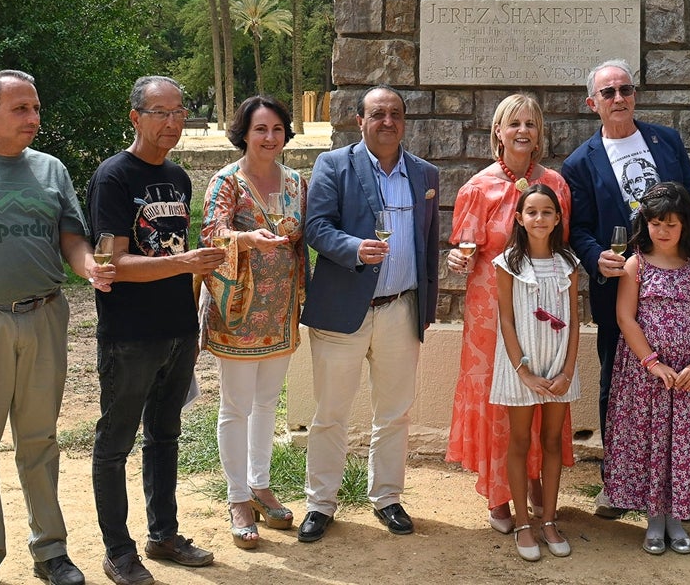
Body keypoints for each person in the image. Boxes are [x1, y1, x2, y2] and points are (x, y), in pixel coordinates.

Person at [0, 70, 113, 585]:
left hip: (43, 316)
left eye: (36, 108)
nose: (34, 119)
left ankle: (50, 551)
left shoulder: (51, 169)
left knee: (40, 440)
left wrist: (88, 265)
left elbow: (70, 237)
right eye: (21, 109)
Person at [87, 75, 225, 585]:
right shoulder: (113, 177)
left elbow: (171, 254)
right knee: (115, 441)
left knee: (165, 436)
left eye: (179, 111)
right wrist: (186, 262)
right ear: (136, 118)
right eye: (160, 112)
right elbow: (114, 262)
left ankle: (162, 535)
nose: (173, 122)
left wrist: (196, 267)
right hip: (129, 333)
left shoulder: (179, 177)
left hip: (176, 328)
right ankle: (118, 551)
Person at [562, 58, 690, 517]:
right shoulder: (579, 163)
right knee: (617, 384)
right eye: (608, 93)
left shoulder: (667, 141)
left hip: (677, 289)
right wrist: (594, 257)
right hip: (619, 291)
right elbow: (578, 228)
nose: (619, 98)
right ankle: (617, 484)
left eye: (625, 89)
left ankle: (674, 484)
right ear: (593, 104)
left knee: (680, 384)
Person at [298, 86, 440, 543]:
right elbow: (316, 227)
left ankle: (387, 497)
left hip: (401, 307)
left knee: (394, 413)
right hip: (342, 312)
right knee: (330, 413)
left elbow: (428, 243)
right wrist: (355, 248)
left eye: (395, 114)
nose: (387, 122)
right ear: (359, 120)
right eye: (377, 114)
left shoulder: (424, 174)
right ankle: (320, 503)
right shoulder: (334, 165)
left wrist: (426, 309)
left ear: (404, 121)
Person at [444, 94, 574, 534]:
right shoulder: (477, 188)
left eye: (531, 124)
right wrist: (457, 261)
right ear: (498, 132)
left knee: (540, 389)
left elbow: (562, 247)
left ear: (539, 134)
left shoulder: (555, 184)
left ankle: (535, 478)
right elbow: (462, 249)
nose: (522, 131)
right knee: (500, 399)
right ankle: (499, 491)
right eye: (513, 123)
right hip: (491, 308)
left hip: (543, 304)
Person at [199, 96, 307, 550]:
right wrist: (245, 237)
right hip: (237, 310)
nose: (270, 138)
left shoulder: (297, 181)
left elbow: (304, 233)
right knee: (235, 406)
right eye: (261, 129)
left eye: (277, 129)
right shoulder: (227, 181)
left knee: (267, 404)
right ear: (244, 132)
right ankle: (237, 497)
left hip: (281, 310)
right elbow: (210, 232)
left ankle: (260, 485)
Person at [603, 182, 690, 555]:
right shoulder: (636, 263)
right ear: (645, 224)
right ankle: (653, 519)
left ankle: (676, 517)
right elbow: (625, 317)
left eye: (671, 224)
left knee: (680, 445)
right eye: (656, 224)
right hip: (645, 376)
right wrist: (652, 363)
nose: (663, 231)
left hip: (687, 378)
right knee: (650, 444)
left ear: (684, 225)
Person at [489, 184, 580, 562]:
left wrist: (568, 370)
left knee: (553, 441)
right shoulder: (508, 263)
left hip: (558, 365)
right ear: (519, 218)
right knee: (520, 441)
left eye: (547, 212)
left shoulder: (569, 263)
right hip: (521, 367)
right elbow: (506, 320)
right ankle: (524, 524)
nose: (539, 218)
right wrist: (523, 371)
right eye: (532, 212)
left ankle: (549, 519)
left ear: (557, 218)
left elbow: (574, 321)